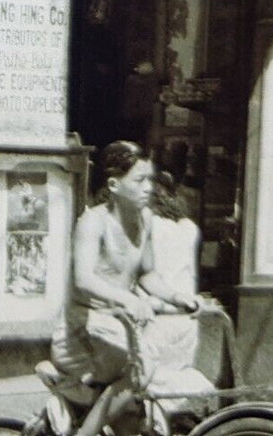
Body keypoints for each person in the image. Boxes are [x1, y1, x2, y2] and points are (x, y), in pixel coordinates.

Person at [50, 142, 199, 436]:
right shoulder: (92, 223)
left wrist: (177, 296)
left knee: (132, 421)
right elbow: (84, 279)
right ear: (114, 184)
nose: (149, 187)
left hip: (116, 328)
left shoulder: (144, 221)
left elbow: (147, 274)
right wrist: (127, 300)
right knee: (138, 374)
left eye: (151, 179)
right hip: (81, 331)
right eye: (139, 180)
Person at [147, 171, 203, 372]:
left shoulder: (148, 225)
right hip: (186, 316)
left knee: (151, 382)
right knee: (180, 377)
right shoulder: (189, 227)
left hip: (156, 316)